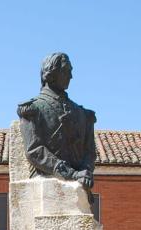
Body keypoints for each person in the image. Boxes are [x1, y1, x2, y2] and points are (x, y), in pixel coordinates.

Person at [17, 53, 96, 187]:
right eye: (66, 71)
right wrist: (71, 174)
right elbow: (34, 150)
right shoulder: (33, 109)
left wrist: (85, 171)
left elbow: (89, 152)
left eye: (70, 71)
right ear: (51, 73)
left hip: (79, 187)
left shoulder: (83, 114)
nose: (71, 76)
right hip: (46, 185)